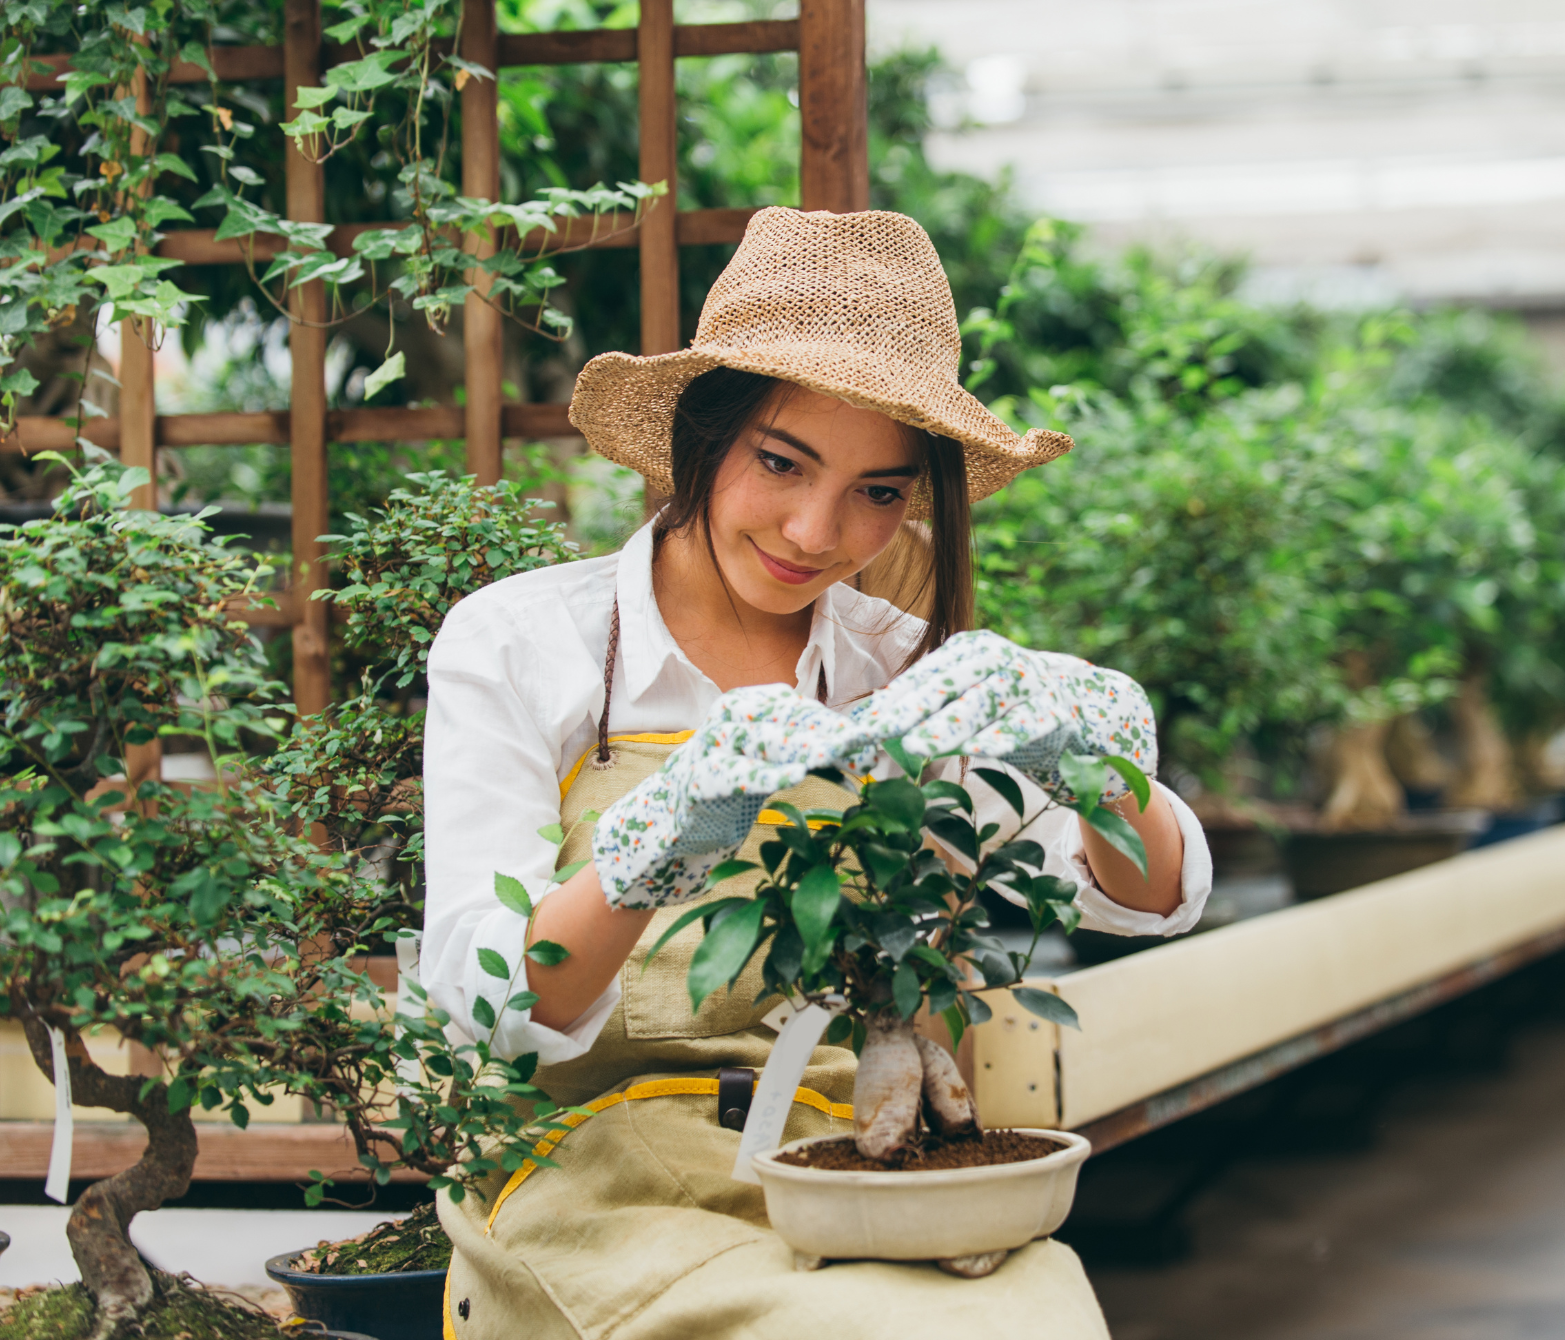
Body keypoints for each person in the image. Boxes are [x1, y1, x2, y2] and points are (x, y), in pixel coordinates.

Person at [423, 206, 1214, 1339]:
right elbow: (489, 1004)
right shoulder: (524, 643)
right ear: (703, 434)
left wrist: (1098, 771)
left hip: (862, 1156)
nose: (815, 529)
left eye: (879, 492)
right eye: (780, 462)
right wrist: (659, 842)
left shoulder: (902, 665)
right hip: (598, 1179)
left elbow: (1147, 896)